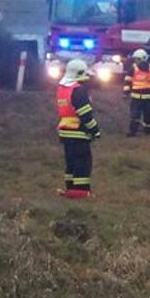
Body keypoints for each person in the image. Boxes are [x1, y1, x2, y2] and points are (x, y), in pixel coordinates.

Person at [56, 59, 101, 199]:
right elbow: (85, 114)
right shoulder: (79, 91)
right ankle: (81, 192)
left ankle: (70, 189)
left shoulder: (63, 89)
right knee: (83, 161)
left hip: (65, 132)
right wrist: (95, 131)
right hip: (78, 132)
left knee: (71, 162)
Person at [123, 49, 150, 136]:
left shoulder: (134, 68)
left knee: (144, 115)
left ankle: (144, 130)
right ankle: (136, 131)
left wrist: (126, 93)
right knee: (137, 115)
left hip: (140, 97)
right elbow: (128, 81)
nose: (136, 61)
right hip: (141, 97)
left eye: (137, 59)